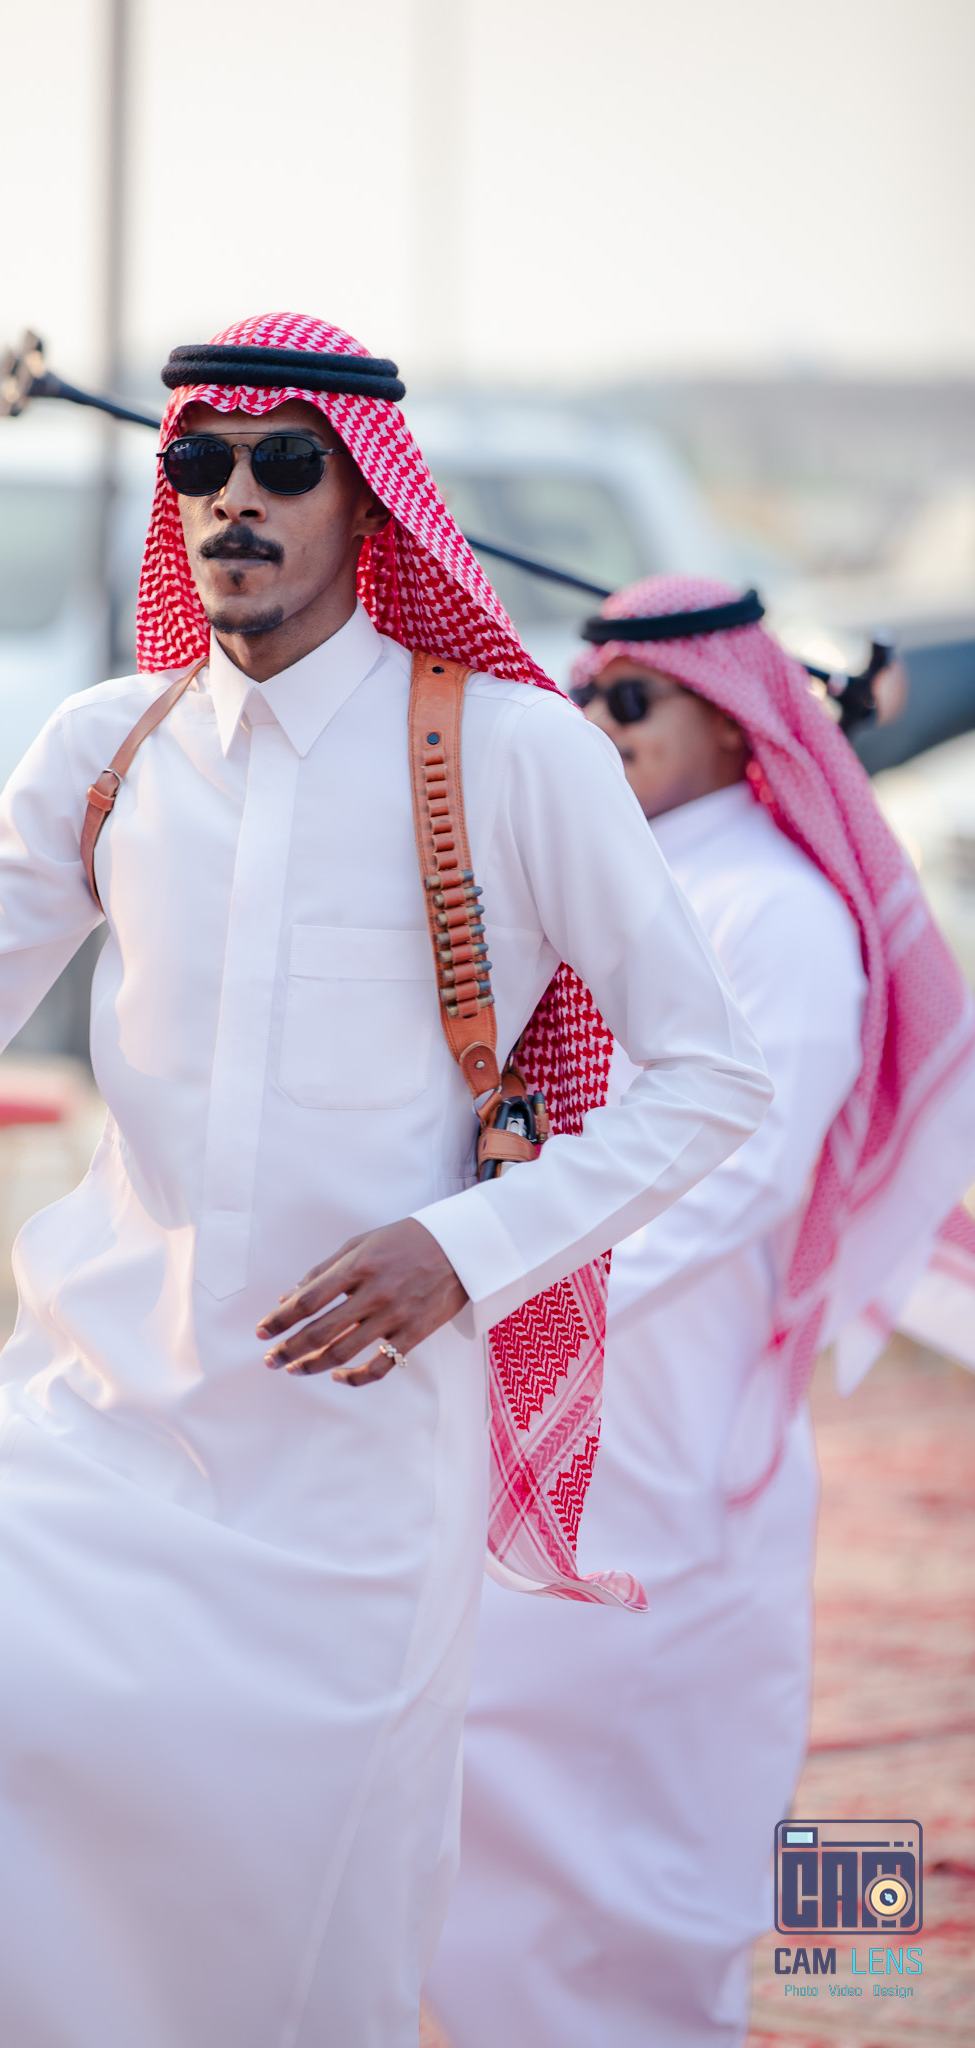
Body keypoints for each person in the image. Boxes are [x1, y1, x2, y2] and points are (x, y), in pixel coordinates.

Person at [0, 321, 770, 2048]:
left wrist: (464, 1250)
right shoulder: (103, 748)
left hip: (349, 1479)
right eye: (198, 462)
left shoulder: (508, 750)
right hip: (86, 1431)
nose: (232, 498)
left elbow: (711, 1078)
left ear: (369, 501)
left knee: (271, 1954)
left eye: (282, 464)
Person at [426, 575, 975, 2048]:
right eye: (584, 697)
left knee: (655, 1788)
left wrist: (499, 1281)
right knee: (513, 1763)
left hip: (668, 1410)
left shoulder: (775, 910)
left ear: (736, 723)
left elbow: (742, 1179)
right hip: (548, 1379)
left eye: (632, 701)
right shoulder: (618, 882)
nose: (595, 725)